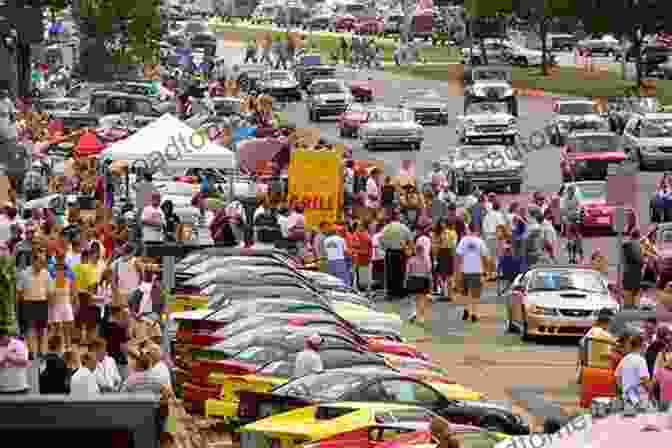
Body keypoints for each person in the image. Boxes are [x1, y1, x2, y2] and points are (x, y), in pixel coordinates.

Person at [17, 251, 50, 358]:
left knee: (42, 329)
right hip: (28, 303)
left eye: (43, 262)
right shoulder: (24, 273)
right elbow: (19, 291)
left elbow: (49, 290)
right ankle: (31, 351)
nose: (42, 264)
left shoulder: (46, 273)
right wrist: (19, 306)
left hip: (42, 302)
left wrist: (49, 304)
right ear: (33, 261)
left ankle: (41, 351)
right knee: (30, 328)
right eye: (40, 262)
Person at [456, 222, 488, 322]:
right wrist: (486, 271)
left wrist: (458, 270)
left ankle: (466, 310)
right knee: (475, 294)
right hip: (477, 270)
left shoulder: (463, 240)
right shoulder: (480, 241)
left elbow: (458, 256)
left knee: (464, 293)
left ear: (468, 229)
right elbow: (485, 256)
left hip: (465, 270)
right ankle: (474, 313)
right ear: (477, 230)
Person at [380, 209, 413, 299]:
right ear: (399, 217)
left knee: (389, 273)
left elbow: (381, 239)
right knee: (400, 273)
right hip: (400, 252)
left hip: (390, 252)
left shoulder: (386, 228)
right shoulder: (404, 227)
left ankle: (390, 292)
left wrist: (385, 248)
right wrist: (408, 250)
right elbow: (410, 239)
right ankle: (399, 292)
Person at [578, 308, 616, 379]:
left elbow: (581, 351)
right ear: (608, 322)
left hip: (587, 367)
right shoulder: (606, 335)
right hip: (603, 367)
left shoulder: (589, 333)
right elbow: (614, 348)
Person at [615, 334, 652, 407]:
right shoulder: (641, 360)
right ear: (641, 346)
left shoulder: (624, 359)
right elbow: (644, 379)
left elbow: (617, 376)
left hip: (626, 398)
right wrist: (652, 392)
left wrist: (624, 388)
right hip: (639, 399)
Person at [407, 240, 432, 324]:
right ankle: (421, 317)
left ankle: (413, 313)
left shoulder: (411, 260)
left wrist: (407, 280)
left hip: (414, 279)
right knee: (423, 300)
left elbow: (408, 272)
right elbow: (429, 271)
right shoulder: (426, 260)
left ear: (415, 251)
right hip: (424, 280)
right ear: (423, 251)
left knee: (415, 299)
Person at [0, 327, 30, 394]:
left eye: (2, 338)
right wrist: (3, 361)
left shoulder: (19, 344)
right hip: (2, 388)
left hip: (19, 387)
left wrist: (10, 359)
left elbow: (25, 362)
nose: (1, 341)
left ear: (7, 336)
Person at [482, 200, 505, 282]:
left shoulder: (487, 215)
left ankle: (490, 274)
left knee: (490, 256)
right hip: (497, 237)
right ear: (499, 207)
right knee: (498, 256)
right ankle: (498, 273)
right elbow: (501, 226)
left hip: (488, 237)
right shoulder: (499, 215)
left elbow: (484, 226)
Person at [622, 228, 643, 308]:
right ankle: (634, 307)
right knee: (635, 292)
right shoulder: (636, 245)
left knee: (627, 292)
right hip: (635, 273)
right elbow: (638, 259)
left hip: (626, 272)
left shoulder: (625, 245)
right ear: (638, 236)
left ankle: (628, 307)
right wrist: (643, 261)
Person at [351, 221, 372, 291]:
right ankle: (362, 288)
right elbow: (354, 244)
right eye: (358, 226)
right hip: (360, 258)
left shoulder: (364, 235)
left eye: (360, 226)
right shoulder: (360, 234)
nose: (358, 227)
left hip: (363, 258)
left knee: (362, 276)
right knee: (360, 275)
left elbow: (367, 246)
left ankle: (363, 289)